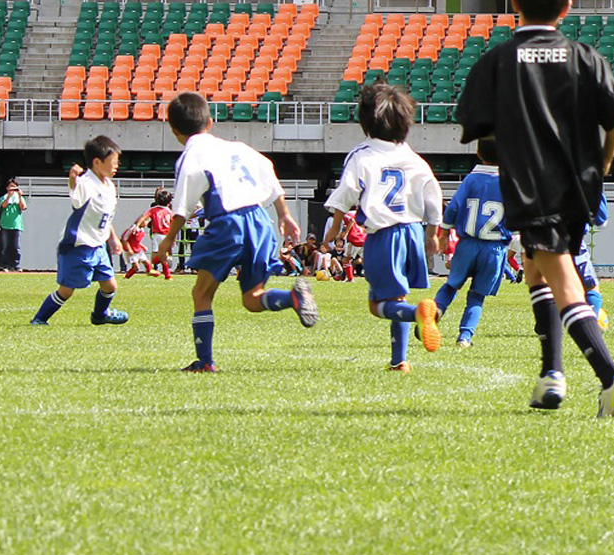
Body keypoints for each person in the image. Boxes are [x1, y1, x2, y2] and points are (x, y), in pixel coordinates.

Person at [455, 0, 614, 417]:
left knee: (561, 276)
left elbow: (476, 128)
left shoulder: (499, 60)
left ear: (515, 4)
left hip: (532, 187)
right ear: (568, 6)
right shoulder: (585, 56)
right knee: (536, 268)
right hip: (579, 186)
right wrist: (604, 162)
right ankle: (550, 374)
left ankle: (612, 379)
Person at [152, 92, 318, 373]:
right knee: (252, 299)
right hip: (259, 220)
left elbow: (182, 206)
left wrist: (168, 240)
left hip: (228, 222)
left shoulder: (191, 155)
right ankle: (292, 297)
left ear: (174, 130)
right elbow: (268, 169)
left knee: (202, 293)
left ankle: (205, 362)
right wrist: (284, 214)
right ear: (210, 121)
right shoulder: (238, 147)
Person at [325, 82, 447, 372]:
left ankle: (419, 313)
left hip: (384, 235)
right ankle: (399, 361)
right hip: (412, 234)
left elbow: (347, 192)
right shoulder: (415, 159)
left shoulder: (362, 155)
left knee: (378, 305)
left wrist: (335, 226)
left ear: (365, 122)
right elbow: (434, 197)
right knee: (396, 296)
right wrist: (432, 235)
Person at [30, 135, 132, 326]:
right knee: (66, 290)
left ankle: (100, 315)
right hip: (79, 245)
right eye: (113, 161)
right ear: (97, 162)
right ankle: (40, 319)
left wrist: (113, 238)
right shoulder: (86, 183)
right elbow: (76, 197)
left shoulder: (109, 186)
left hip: (98, 245)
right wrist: (72, 180)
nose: (116, 165)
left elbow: (104, 216)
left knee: (110, 285)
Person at [432, 139, 513, 348]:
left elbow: (453, 208)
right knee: (477, 296)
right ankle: (465, 337)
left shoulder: (471, 180)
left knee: (451, 285)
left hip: (467, 243)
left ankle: (435, 312)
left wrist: (443, 234)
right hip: (494, 248)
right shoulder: (509, 182)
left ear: (477, 152)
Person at [129, 187, 176, 279]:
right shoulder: (170, 212)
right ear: (169, 202)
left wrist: (137, 226)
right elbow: (173, 225)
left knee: (155, 258)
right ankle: (167, 270)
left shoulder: (153, 210)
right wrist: (173, 238)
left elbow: (143, 217)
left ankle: (166, 272)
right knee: (163, 256)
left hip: (156, 235)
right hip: (167, 235)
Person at [0, 179, 26, 271]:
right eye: (10, 187)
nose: (12, 189)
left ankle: (16, 265)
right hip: (5, 225)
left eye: (14, 187)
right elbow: (3, 205)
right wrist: (9, 196)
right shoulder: (3, 198)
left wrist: (20, 196)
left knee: (16, 247)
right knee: (5, 247)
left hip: (16, 225)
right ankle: (5, 265)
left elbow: (23, 207)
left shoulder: (19, 198)